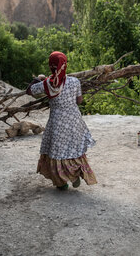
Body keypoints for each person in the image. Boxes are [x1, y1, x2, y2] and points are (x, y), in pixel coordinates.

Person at [26, 51, 97, 190]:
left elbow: (29, 91)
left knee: (58, 151)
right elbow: (79, 100)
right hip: (74, 120)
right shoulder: (74, 81)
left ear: (50, 66)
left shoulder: (47, 84)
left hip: (57, 122)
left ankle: (62, 182)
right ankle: (75, 175)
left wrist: (39, 78)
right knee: (74, 148)